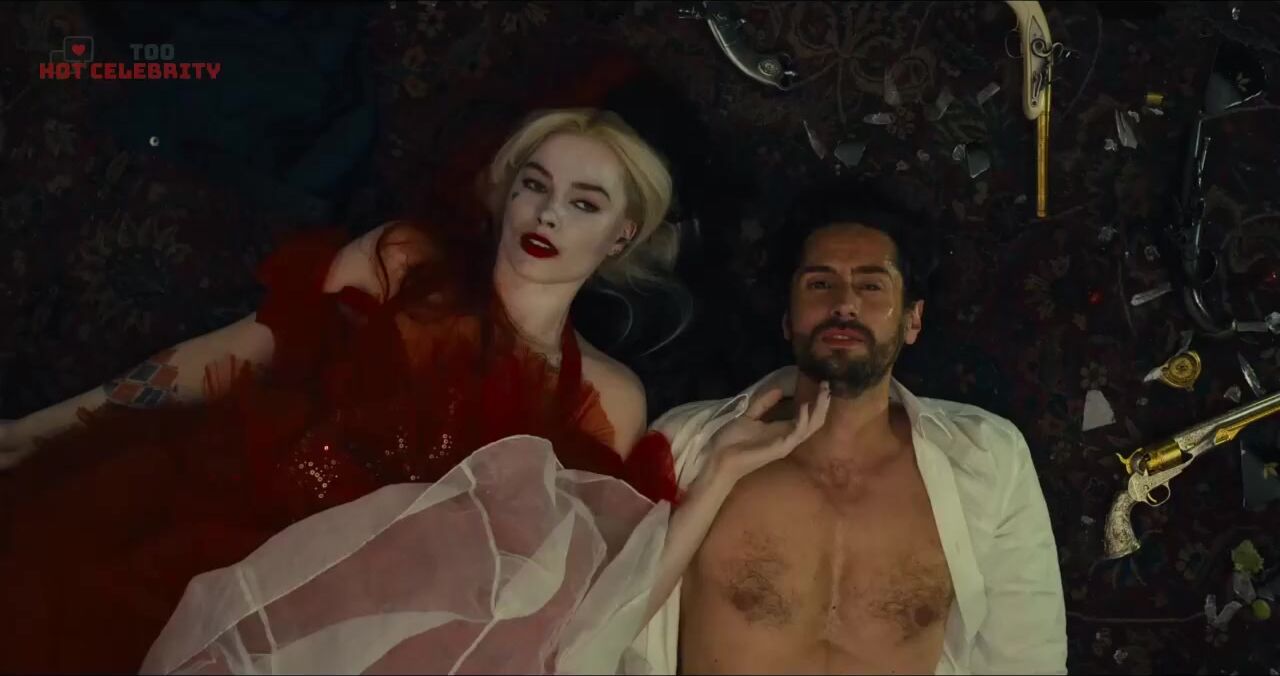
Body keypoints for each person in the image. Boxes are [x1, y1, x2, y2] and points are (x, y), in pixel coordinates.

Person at [0, 107, 830, 674]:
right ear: (506, 191)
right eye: (534, 185)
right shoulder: (403, 260)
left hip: (378, 644)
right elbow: (238, 352)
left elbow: (590, 615)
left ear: (622, 235)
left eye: (583, 203)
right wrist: (38, 427)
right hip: (221, 543)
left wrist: (721, 474)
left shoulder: (607, 398)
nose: (547, 215)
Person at [631, 182, 1068, 674]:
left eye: (872, 285)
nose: (845, 304)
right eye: (820, 284)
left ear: (913, 320)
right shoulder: (689, 444)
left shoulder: (988, 457)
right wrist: (718, 471)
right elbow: (600, 634)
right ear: (787, 318)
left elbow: (1028, 659)